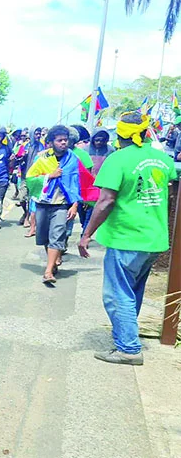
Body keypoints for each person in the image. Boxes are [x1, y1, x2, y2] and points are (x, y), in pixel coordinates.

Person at [79, 112, 177, 365]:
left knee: (117, 294)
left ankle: (129, 348)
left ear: (119, 135)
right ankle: (125, 337)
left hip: (126, 238)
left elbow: (106, 200)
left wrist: (87, 233)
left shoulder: (118, 159)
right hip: (154, 239)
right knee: (133, 292)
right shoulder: (163, 159)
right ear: (146, 132)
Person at [26, 125, 80, 285]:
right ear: (51, 142)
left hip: (62, 204)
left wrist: (75, 204)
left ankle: (48, 271)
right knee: (44, 237)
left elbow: (75, 182)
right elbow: (30, 178)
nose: (63, 143)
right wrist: (50, 175)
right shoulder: (42, 158)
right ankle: (52, 260)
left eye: (65, 140)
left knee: (57, 235)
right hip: (43, 203)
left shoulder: (72, 159)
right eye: (59, 140)